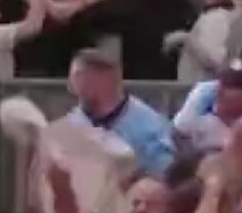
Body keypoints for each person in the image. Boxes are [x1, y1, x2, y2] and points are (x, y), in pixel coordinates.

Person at [64, 48, 176, 178]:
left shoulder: (148, 128)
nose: (70, 86)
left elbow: (164, 179)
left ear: (104, 80)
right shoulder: (74, 122)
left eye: (78, 75)